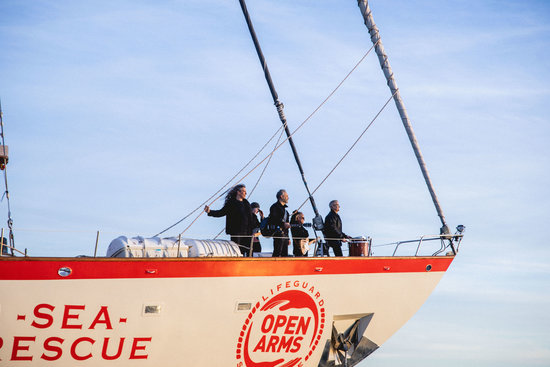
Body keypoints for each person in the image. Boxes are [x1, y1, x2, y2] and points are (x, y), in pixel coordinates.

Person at [204, 184, 255, 257]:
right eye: (243, 191)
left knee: (249, 251)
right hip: (236, 232)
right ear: (238, 192)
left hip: (247, 232)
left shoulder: (246, 203)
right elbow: (221, 212)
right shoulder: (231, 203)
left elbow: (250, 218)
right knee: (237, 252)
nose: (245, 193)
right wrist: (210, 212)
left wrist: (252, 230)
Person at [269, 189, 290, 257]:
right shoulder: (274, 207)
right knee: (277, 253)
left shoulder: (286, 212)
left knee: (285, 255)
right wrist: (282, 223)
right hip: (278, 233)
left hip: (285, 235)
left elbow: (287, 225)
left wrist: (288, 238)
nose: (288, 198)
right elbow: (274, 219)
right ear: (281, 196)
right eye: (286, 196)